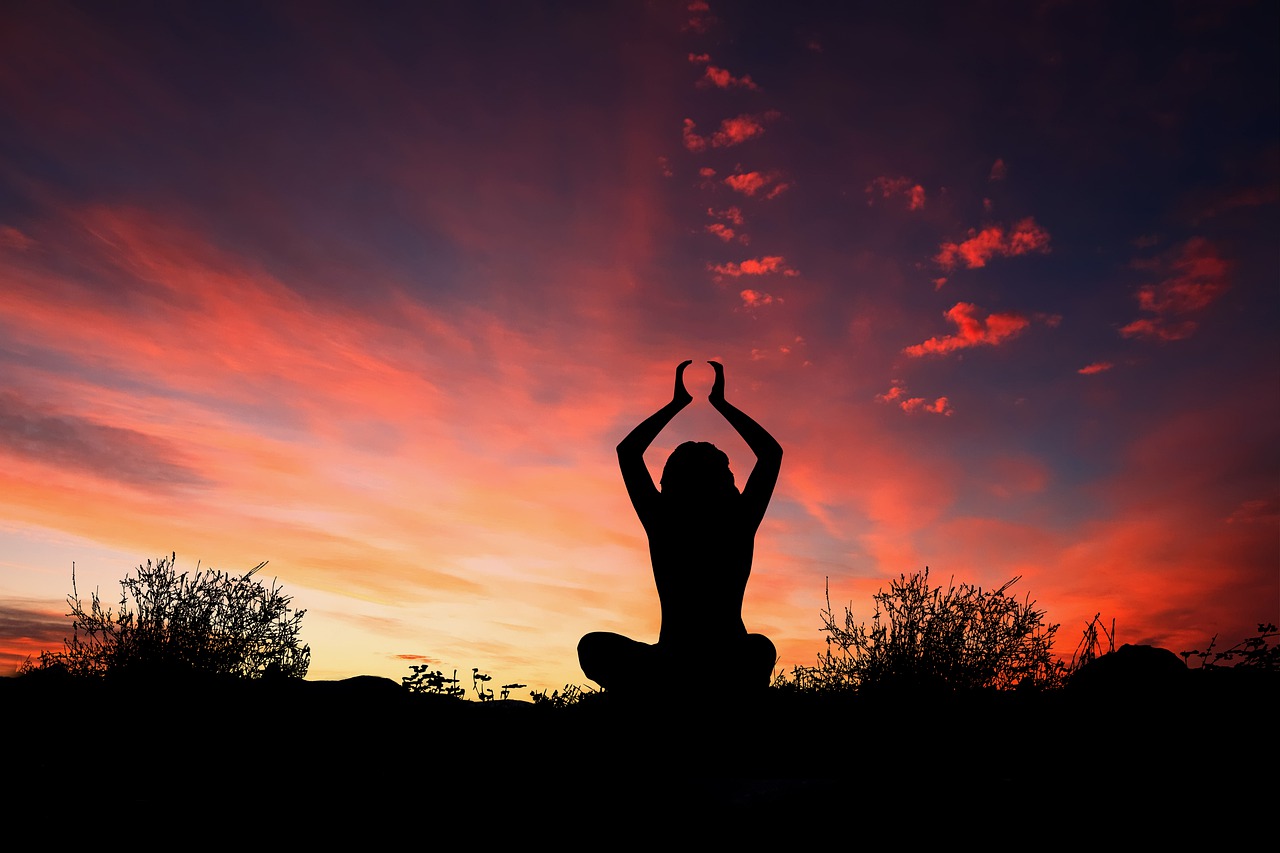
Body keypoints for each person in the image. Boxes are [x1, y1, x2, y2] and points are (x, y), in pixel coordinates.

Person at [578, 360, 782, 695]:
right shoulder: (734, 519)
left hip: (694, 661)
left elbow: (628, 452)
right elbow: (770, 454)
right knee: (594, 645)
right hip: (685, 660)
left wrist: (678, 404)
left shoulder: (669, 520)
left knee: (757, 649)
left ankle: (660, 695)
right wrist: (719, 405)